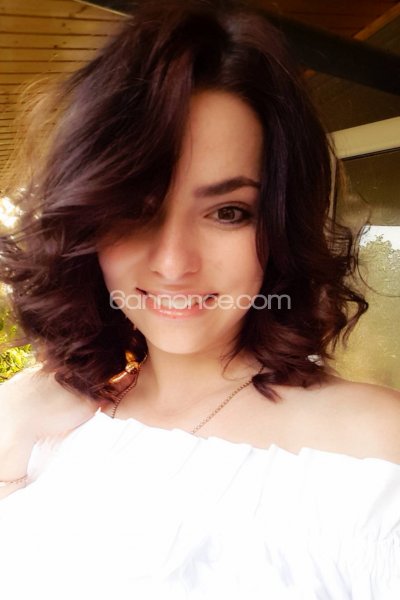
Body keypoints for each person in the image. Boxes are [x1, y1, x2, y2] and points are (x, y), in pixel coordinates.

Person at [0, 0, 399, 598]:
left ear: (280, 228)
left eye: (228, 212)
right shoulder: (41, 417)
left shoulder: (375, 452)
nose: (172, 263)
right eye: (135, 210)